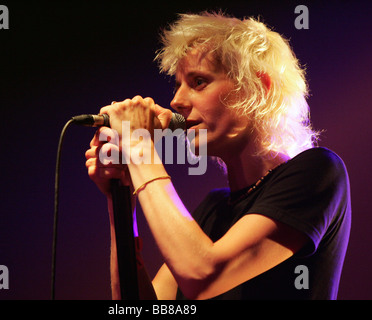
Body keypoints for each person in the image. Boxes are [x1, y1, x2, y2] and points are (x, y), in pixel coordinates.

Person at [84, 11, 351, 300]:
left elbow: (204, 276)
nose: (176, 101)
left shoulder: (318, 172)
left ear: (258, 88)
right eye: (177, 85)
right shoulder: (213, 209)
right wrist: (121, 197)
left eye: (198, 82)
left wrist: (140, 148)